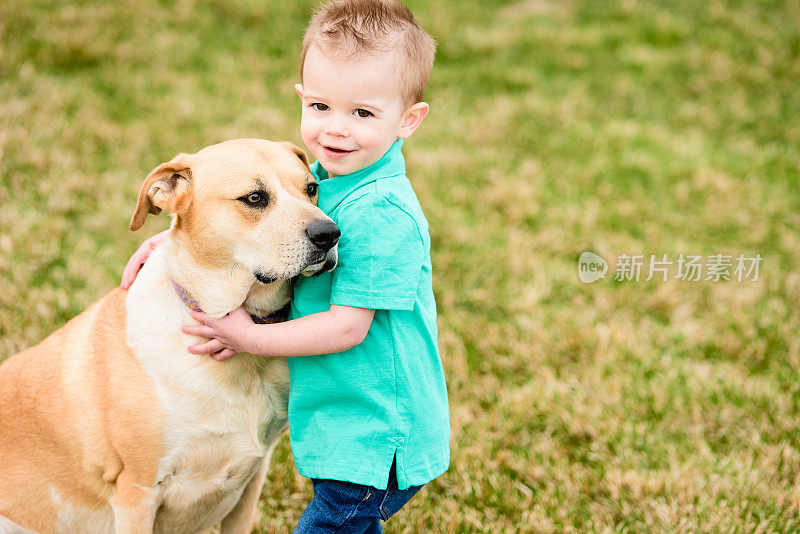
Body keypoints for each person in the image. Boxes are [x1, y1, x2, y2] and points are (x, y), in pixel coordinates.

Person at [121, 1, 449, 531]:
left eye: (362, 113)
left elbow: (347, 326)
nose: (336, 130)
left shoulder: (385, 212)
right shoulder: (317, 173)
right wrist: (171, 240)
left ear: (409, 119)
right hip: (342, 424)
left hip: (377, 434)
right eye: (321, 107)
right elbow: (244, 210)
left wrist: (246, 336)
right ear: (302, 98)